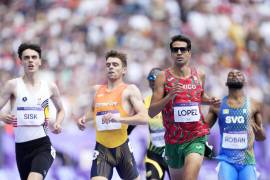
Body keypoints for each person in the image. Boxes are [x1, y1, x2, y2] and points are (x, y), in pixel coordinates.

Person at [148, 34, 220, 180]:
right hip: (172, 140)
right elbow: (151, 111)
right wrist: (169, 96)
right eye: (175, 50)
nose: (179, 53)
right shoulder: (162, 77)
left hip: (195, 137)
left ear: (189, 52)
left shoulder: (199, 74)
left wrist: (211, 101)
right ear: (171, 54)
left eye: (183, 49)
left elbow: (199, 97)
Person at [77, 50, 148, 180]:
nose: (111, 67)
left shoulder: (130, 90)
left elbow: (144, 118)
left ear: (124, 70)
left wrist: (119, 119)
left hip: (122, 149)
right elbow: (94, 111)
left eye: (115, 64)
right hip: (102, 149)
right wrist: (83, 119)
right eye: (108, 64)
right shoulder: (97, 90)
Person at [0, 43, 65, 180]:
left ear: (40, 61)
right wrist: (2, 116)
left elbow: (61, 110)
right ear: (21, 61)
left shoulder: (49, 86)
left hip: (43, 146)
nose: (31, 60)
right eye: (27, 57)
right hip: (21, 148)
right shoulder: (12, 85)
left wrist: (58, 123)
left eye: (34, 57)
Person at [205, 69, 266, 180]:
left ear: (245, 82)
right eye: (231, 74)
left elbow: (262, 137)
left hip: (247, 162)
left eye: (238, 74)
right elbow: (202, 130)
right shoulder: (217, 105)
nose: (234, 75)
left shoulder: (254, 105)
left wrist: (259, 131)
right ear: (226, 83)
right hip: (226, 162)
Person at [144, 68, 170, 180]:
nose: (152, 82)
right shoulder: (145, 102)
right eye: (150, 79)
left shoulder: (173, 100)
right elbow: (131, 126)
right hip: (153, 155)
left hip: (173, 154)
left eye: (155, 79)